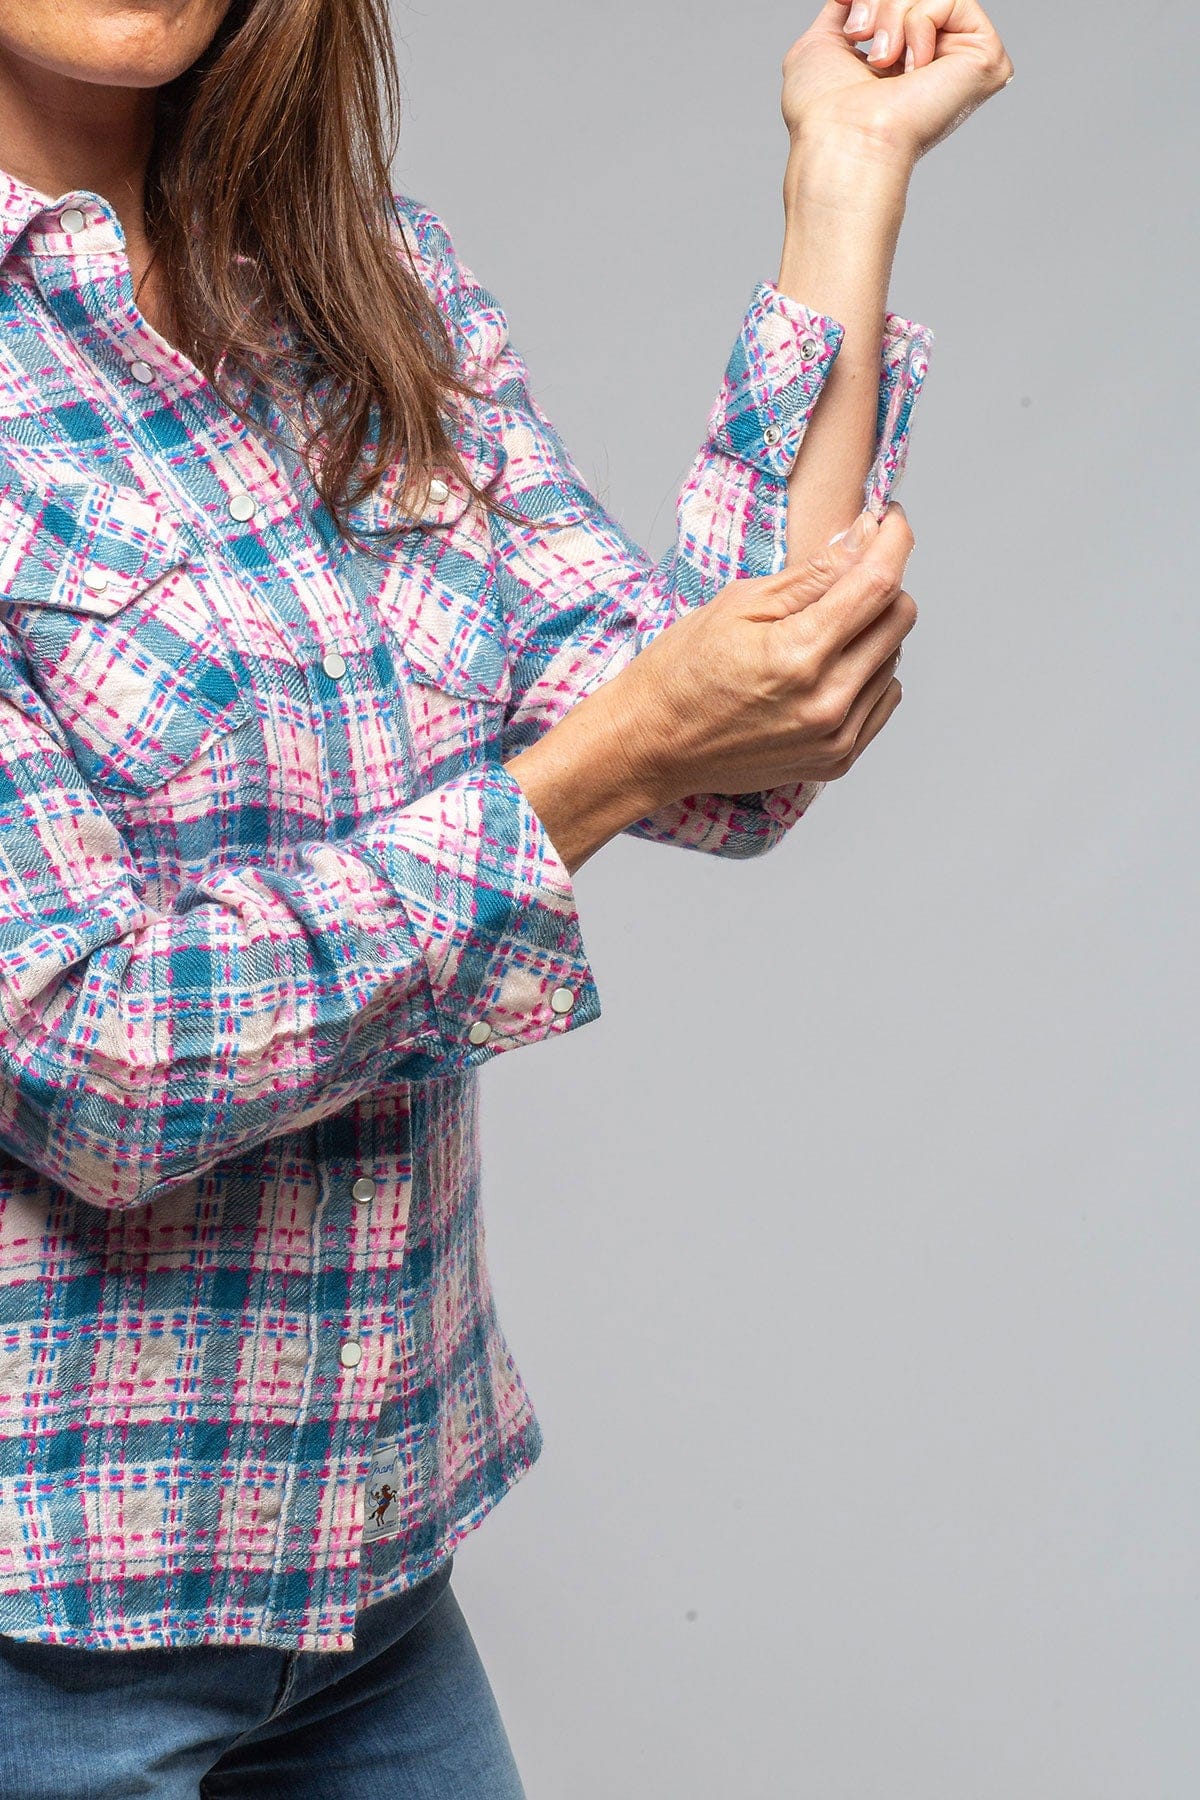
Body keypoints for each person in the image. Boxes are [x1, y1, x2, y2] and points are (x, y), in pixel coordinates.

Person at [0, 0, 1012, 1793]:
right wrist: (598, 766)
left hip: (374, 1584)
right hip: (43, 1632)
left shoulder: (363, 287)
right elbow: (94, 1053)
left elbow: (739, 742)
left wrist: (843, 184)